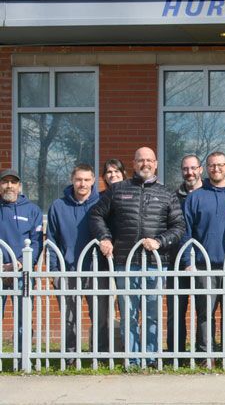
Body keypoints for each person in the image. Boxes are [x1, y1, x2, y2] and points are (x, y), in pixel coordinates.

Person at [89, 147, 185, 367]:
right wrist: (104, 238)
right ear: (133, 164)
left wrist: (160, 241)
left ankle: (151, 358)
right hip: (125, 262)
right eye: (140, 160)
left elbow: (179, 226)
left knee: (152, 313)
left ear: (156, 163)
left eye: (149, 160)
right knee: (129, 315)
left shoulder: (167, 193)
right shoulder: (118, 190)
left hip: (155, 263)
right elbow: (96, 215)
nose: (145, 164)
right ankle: (132, 359)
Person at [182, 152, 225, 363]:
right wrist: (188, 262)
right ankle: (205, 355)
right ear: (205, 169)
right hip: (203, 266)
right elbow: (186, 233)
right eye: (211, 165)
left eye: (220, 165)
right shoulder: (195, 197)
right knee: (204, 314)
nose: (216, 169)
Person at [47, 164, 108, 366]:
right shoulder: (58, 205)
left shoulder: (102, 202)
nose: (82, 184)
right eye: (78, 180)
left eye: (87, 180)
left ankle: (98, 356)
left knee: (100, 316)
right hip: (68, 270)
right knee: (69, 317)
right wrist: (54, 270)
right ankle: (70, 358)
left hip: (96, 270)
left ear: (93, 181)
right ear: (72, 180)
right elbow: (52, 239)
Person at [0, 168, 43, 352]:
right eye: (4, 182)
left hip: (22, 272)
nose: (9, 185)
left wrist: (20, 263)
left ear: (19, 186)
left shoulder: (32, 210)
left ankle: (21, 357)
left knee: (23, 316)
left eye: (13, 182)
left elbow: (36, 242)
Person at [168, 154, 203, 356]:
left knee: (203, 311)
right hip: (176, 261)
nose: (189, 172)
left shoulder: (209, 193)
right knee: (176, 311)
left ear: (200, 170)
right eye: (185, 169)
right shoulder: (173, 197)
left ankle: (201, 354)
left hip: (202, 262)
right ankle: (176, 354)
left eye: (193, 168)